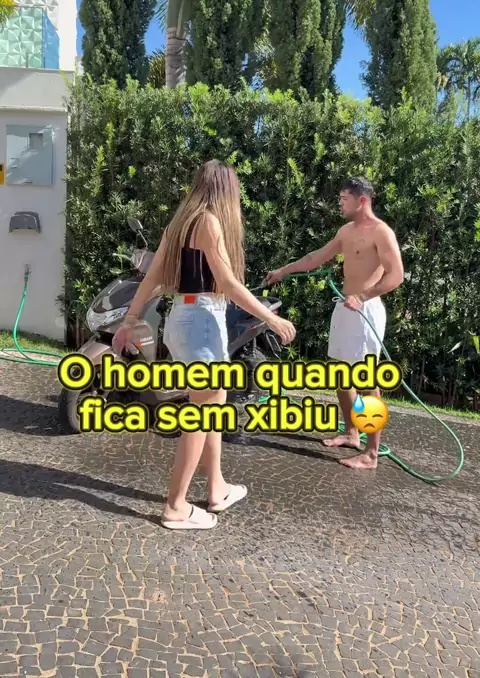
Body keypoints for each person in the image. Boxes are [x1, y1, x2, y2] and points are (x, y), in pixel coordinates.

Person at [112, 160, 296, 529]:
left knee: (214, 403)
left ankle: (217, 489)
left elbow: (151, 278)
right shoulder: (210, 222)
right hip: (202, 322)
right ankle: (175, 506)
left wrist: (130, 320)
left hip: (182, 319)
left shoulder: (179, 224)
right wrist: (272, 318)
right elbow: (227, 283)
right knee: (202, 414)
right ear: (226, 190)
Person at [266, 177, 404, 470]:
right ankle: (352, 433)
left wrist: (363, 296)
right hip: (344, 308)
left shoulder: (381, 232)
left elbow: (396, 275)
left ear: (362, 200)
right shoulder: (346, 231)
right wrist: (283, 271)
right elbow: (316, 257)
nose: (340, 204)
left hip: (365, 310)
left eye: (344, 199)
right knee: (341, 373)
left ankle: (371, 453)